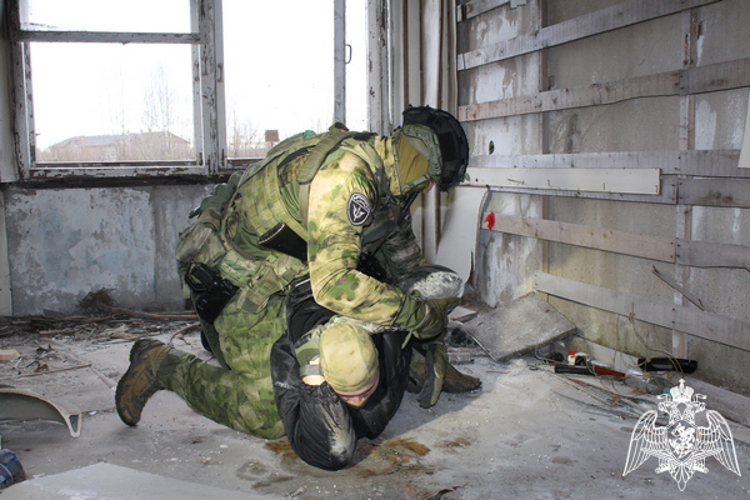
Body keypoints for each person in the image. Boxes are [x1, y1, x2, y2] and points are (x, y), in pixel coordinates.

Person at [115, 106, 479, 470]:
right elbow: (335, 284)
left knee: (421, 289)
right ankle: (162, 364)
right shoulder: (347, 177)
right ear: (418, 161)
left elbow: (408, 269)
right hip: (243, 294)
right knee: (268, 410)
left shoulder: (387, 183)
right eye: (429, 179)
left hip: (297, 285)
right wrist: (418, 317)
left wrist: (430, 336)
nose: (428, 188)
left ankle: (416, 364)